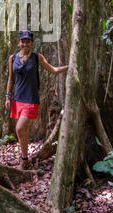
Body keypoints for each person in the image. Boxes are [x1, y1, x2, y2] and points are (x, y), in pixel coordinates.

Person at [5, 30, 68, 170]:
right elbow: (11, 79)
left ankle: (24, 159)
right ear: (19, 42)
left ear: (32, 43)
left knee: (20, 128)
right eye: (23, 41)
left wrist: (70, 67)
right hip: (17, 98)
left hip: (31, 99)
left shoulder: (37, 57)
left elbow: (54, 70)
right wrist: (7, 96)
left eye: (28, 41)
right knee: (23, 131)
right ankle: (25, 159)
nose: (25, 44)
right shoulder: (12, 58)